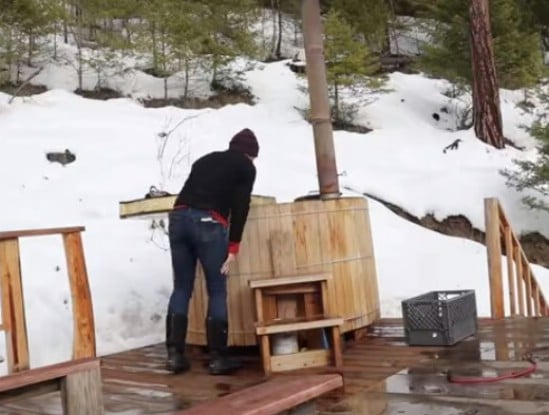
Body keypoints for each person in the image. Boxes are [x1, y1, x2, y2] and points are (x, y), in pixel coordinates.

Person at [165, 128, 259, 376]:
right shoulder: (245, 167)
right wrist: (234, 245)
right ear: (250, 154)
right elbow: (241, 207)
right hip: (208, 223)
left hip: (178, 218)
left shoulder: (205, 159)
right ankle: (219, 359)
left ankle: (174, 355)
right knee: (216, 289)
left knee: (182, 288)